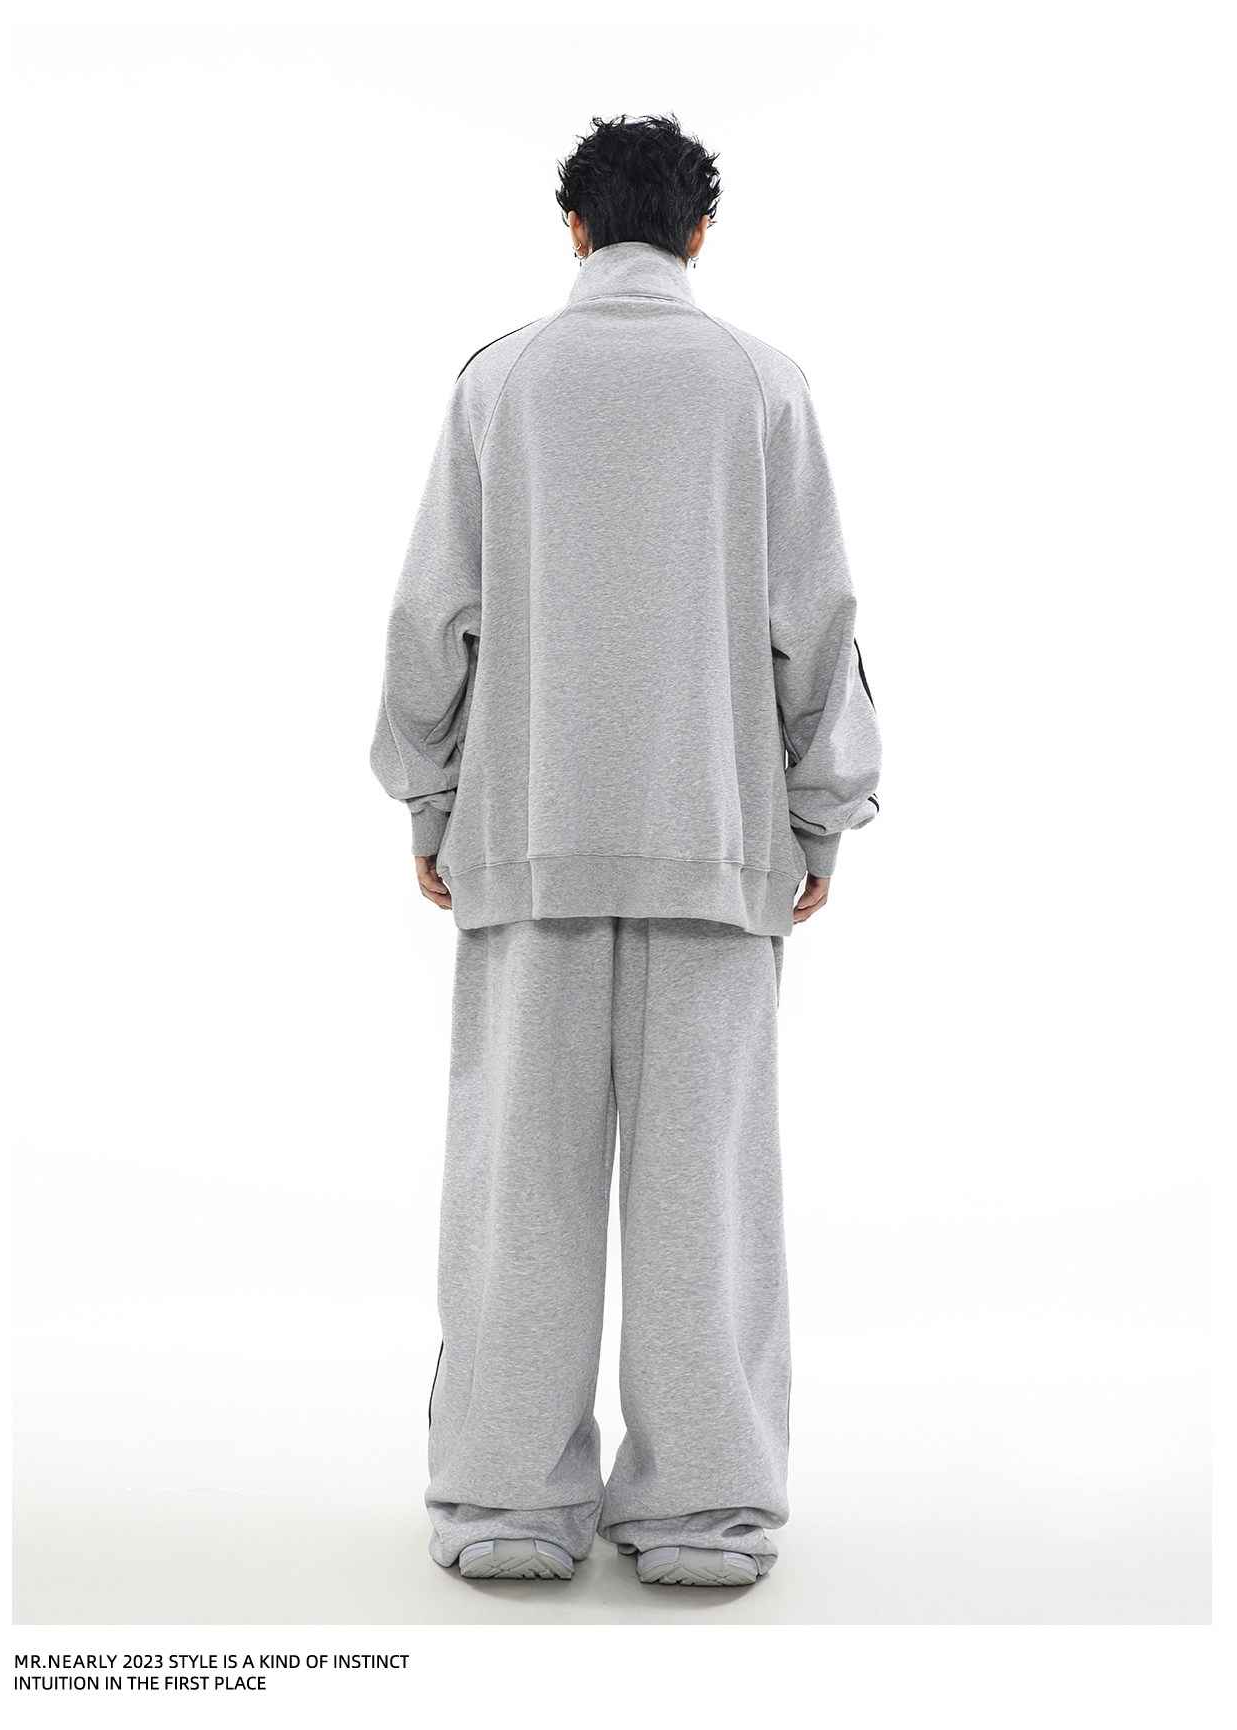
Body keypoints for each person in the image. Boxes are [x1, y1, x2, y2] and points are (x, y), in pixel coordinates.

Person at [370, 112, 881, 1589]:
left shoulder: (501, 381)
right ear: (699, 234)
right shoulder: (763, 385)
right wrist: (822, 812)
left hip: (526, 842)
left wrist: (430, 797)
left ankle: (505, 1505)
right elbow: (817, 619)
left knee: (515, 1192)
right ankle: (703, 1513)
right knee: (705, 1197)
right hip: (715, 846)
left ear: (575, 228)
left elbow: (431, 616)